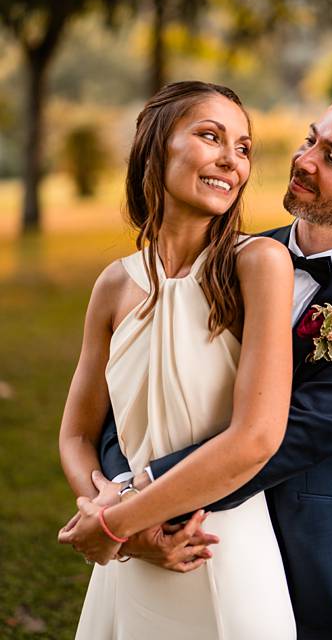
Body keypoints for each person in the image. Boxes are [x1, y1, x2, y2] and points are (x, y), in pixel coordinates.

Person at [63, 81, 332, 639]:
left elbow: (290, 434)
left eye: (331, 158)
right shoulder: (229, 260)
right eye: (311, 140)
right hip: (166, 527)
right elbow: (141, 395)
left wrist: (135, 504)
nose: (304, 161)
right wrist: (119, 496)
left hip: (306, 545)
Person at [57, 81, 298, 638]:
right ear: (156, 147)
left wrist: (117, 523)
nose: (230, 160)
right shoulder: (114, 284)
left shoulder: (259, 263)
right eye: (210, 136)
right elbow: (75, 434)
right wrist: (112, 516)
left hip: (217, 545)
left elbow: (257, 437)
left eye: (243, 148)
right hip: (130, 552)